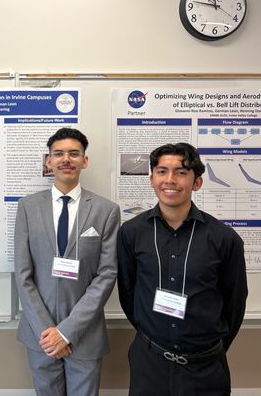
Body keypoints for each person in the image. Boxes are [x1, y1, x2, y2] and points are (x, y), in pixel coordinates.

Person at [117, 143, 248, 396]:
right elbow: (128, 291)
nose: (170, 180)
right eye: (162, 171)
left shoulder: (224, 238)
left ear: (196, 182)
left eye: (181, 172)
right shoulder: (131, 233)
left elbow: (234, 303)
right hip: (150, 362)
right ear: (152, 180)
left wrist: (210, 346)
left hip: (205, 367)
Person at [14, 127, 120, 396]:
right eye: (58, 154)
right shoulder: (27, 207)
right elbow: (23, 275)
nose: (66, 159)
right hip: (41, 336)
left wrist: (67, 332)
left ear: (85, 160)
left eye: (74, 153)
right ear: (49, 161)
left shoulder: (106, 210)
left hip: (85, 335)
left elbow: (107, 274)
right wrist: (49, 332)